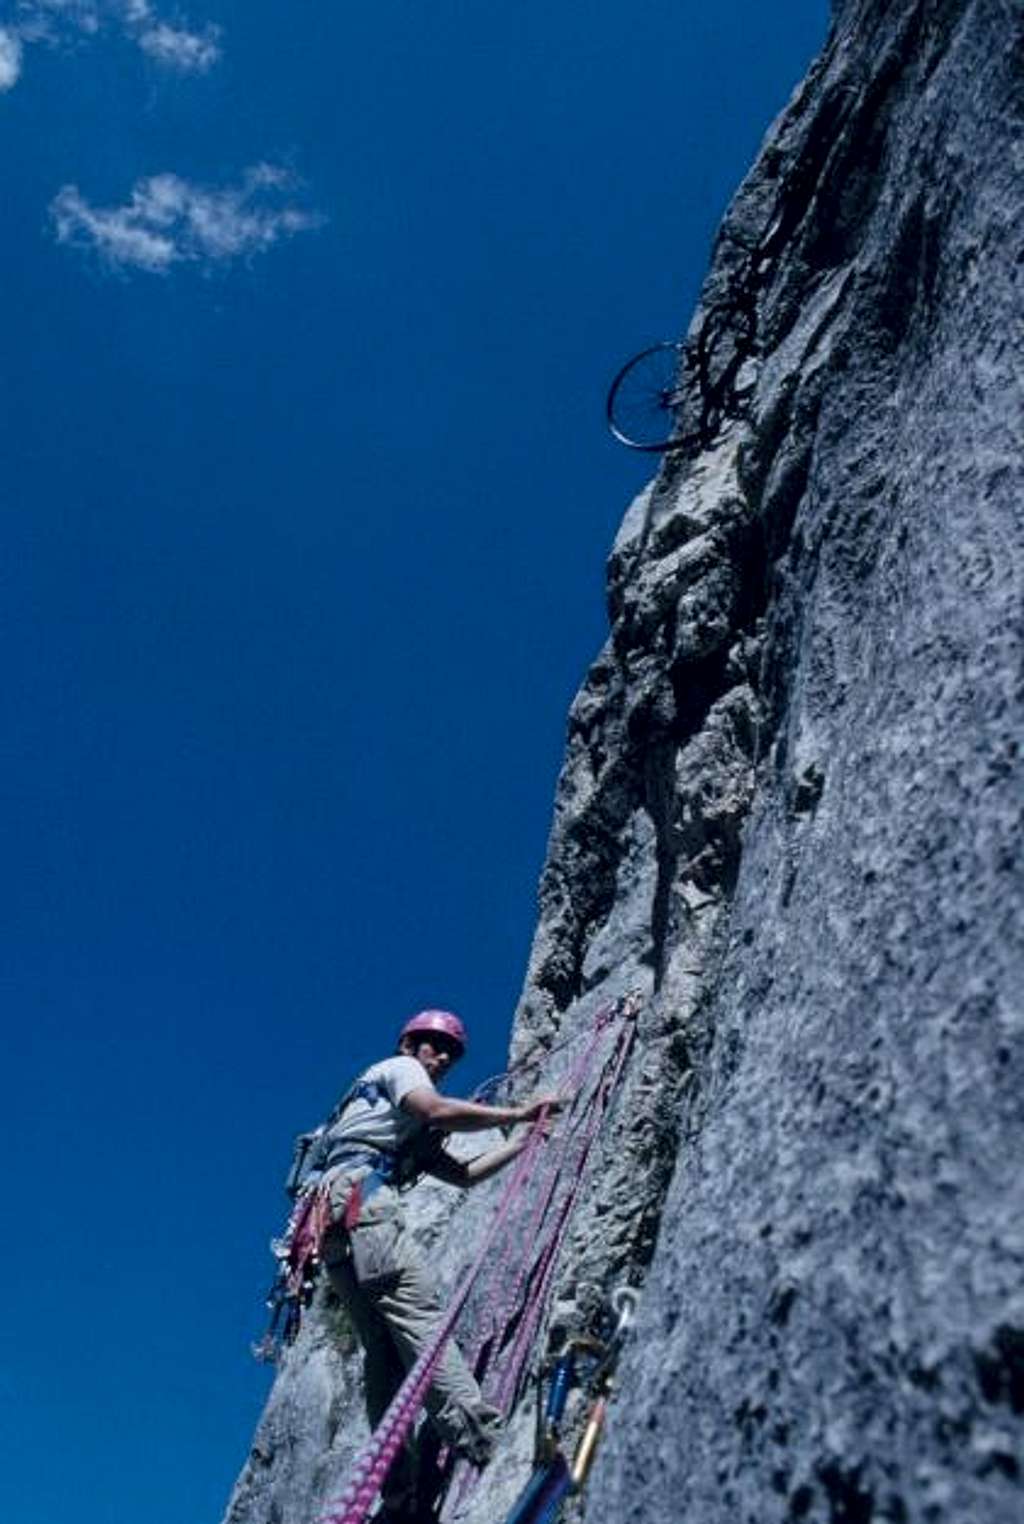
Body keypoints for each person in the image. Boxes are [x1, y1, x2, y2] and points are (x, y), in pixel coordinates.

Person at [318, 1009, 562, 1521]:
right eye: (434, 1045)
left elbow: (465, 1173)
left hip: (335, 1230)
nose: (443, 1056)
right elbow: (434, 1109)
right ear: (410, 1043)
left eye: (450, 1050)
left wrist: (521, 1144)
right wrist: (517, 1113)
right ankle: (483, 1436)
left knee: (383, 1356)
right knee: (420, 1317)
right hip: (362, 1207)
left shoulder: (394, 1123)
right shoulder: (401, 1071)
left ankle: (399, 1495)